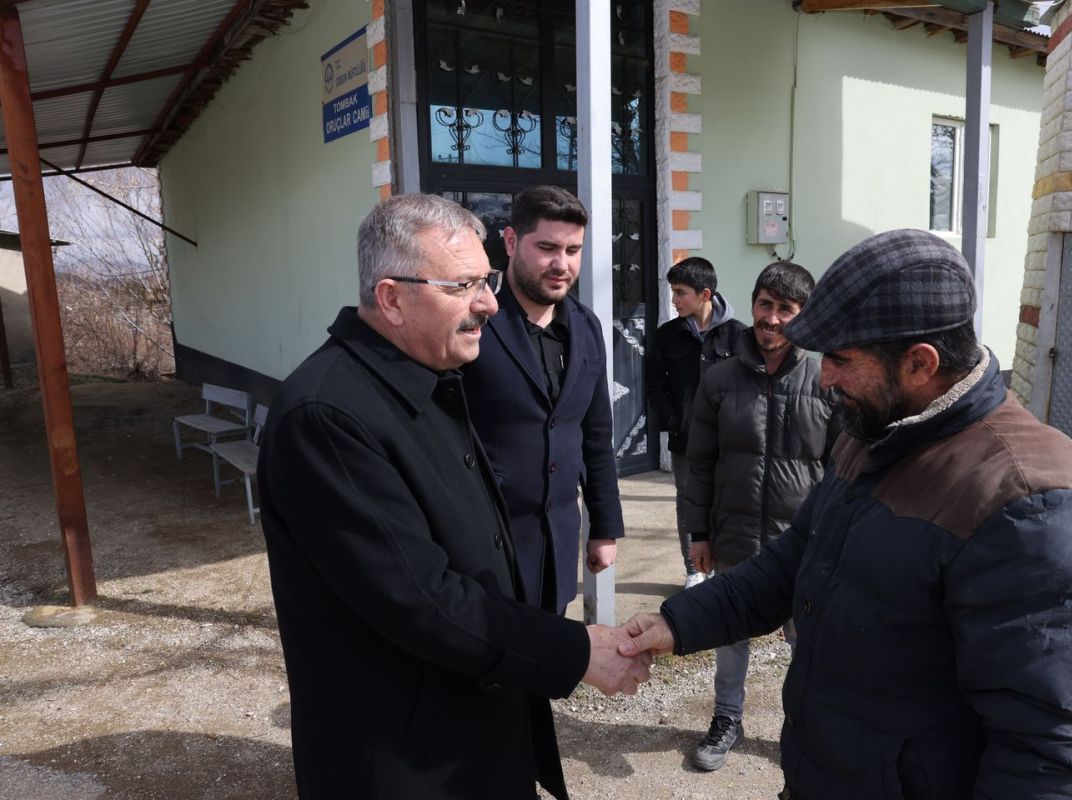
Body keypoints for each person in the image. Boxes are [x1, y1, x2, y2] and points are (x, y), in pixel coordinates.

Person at [621, 229, 1072, 799]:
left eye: (840, 360)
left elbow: (1044, 751)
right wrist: (675, 623)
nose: (824, 378)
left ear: (919, 364)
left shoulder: (1031, 501)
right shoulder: (873, 430)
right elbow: (788, 563)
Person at [257, 194, 649, 800]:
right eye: (463, 285)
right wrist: (574, 652)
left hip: (471, 714)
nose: (488, 303)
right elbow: (421, 598)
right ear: (391, 298)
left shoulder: (428, 373)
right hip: (407, 754)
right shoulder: (327, 417)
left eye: (485, 281)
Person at [682, 260, 836, 772]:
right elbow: (699, 463)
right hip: (734, 536)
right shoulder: (720, 378)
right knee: (731, 637)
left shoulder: (826, 381)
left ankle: (808, 728)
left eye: (785, 310)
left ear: (804, 316)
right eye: (764, 305)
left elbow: (843, 471)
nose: (771, 319)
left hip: (802, 544)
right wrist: (699, 533)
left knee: (808, 645)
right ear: (752, 305)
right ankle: (727, 718)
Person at [461, 186, 624, 615]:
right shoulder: (474, 322)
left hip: (558, 542)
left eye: (573, 250)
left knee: (545, 668)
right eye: (547, 247)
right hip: (485, 544)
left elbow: (596, 435)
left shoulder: (586, 327)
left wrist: (604, 528)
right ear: (512, 242)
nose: (562, 263)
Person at [645, 256, 745, 589]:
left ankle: (723, 568)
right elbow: (654, 383)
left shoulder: (739, 336)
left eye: (680, 293)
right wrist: (673, 419)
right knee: (688, 501)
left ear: (705, 294)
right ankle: (694, 570)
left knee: (727, 500)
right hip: (685, 438)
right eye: (673, 292)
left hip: (728, 439)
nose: (674, 300)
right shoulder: (667, 335)